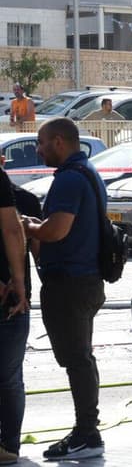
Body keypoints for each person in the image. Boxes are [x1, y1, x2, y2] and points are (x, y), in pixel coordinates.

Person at [22, 117, 106, 461]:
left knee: (77, 360)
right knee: (80, 357)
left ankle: (87, 433)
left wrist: (27, 227)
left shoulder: (70, 179)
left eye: (41, 143)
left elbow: (57, 230)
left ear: (59, 141)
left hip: (71, 284)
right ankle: (87, 431)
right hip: (85, 280)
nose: (38, 150)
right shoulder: (87, 172)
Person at [0, 163, 29, 465]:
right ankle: (8, 447)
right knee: (8, 378)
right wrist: (18, 282)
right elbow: (11, 227)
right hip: (7, 293)